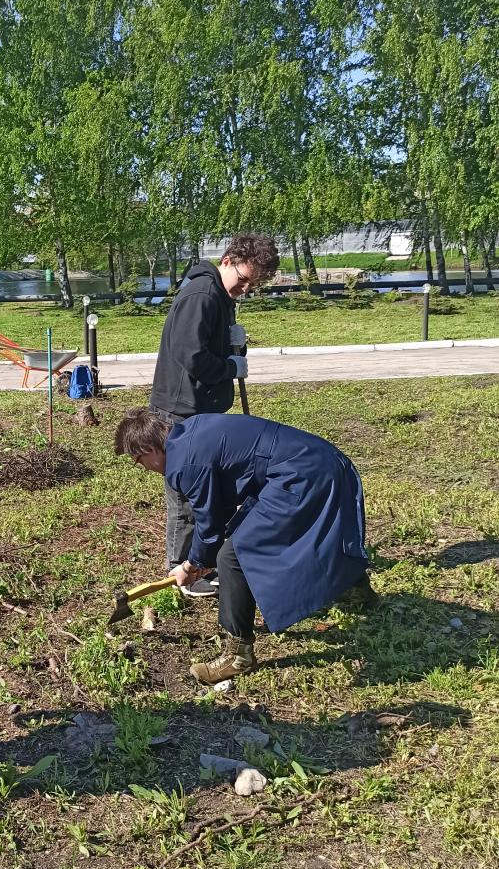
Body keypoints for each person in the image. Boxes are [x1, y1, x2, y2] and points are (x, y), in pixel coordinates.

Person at [115, 407, 373, 684]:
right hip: (320, 460)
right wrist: (201, 559)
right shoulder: (191, 431)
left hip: (301, 476)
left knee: (232, 556)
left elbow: (208, 521)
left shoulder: (183, 463)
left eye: (138, 460)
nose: (143, 467)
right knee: (250, 539)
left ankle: (239, 655)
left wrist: (193, 563)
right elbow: (220, 505)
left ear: (148, 447)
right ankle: (357, 591)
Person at [150, 234, 280, 594]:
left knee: (208, 490)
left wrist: (232, 341)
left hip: (200, 408)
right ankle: (182, 572)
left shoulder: (220, 296)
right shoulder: (202, 295)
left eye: (253, 284)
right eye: (243, 280)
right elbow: (190, 355)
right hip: (181, 410)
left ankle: (203, 562)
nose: (246, 288)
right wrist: (229, 366)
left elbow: (206, 344)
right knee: (188, 495)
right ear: (227, 260)